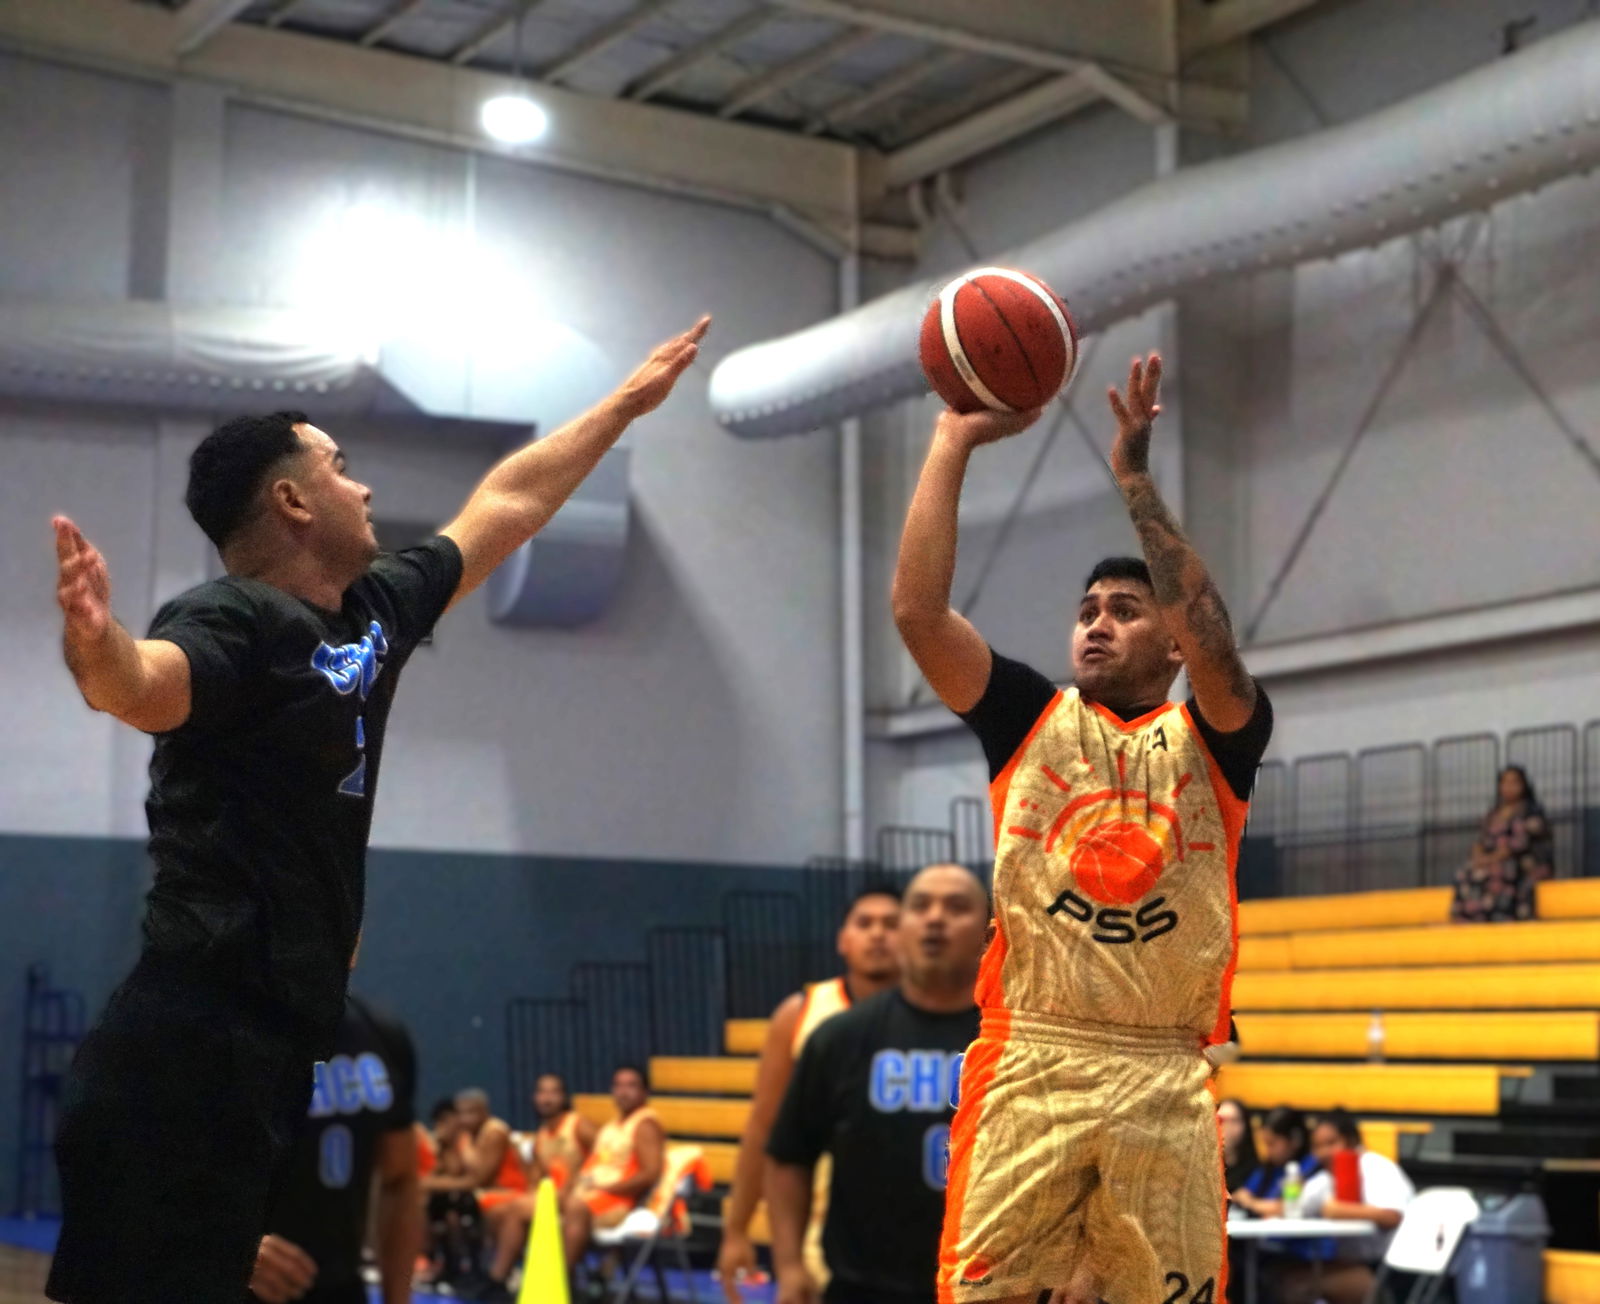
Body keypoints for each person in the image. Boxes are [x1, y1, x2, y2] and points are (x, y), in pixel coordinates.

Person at [45, 316, 709, 1304]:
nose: (361, 485)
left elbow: (510, 501)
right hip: (184, 1044)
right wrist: (97, 644)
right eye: (340, 465)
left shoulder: (375, 616)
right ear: (292, 499)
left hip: (268, 1045)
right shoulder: (234, 615)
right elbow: (144, 686)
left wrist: (620, 404)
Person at [893, 354, 1273, 1304]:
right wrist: (950, 443)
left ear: (1173, 639)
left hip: (1162, 1071)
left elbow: (1218, 643)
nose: (1096, 626)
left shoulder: (1217, 740)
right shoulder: (1030, 720)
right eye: (1086, 612)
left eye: (1126, 610)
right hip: (1033, 1056)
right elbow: (918, 611)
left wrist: (1137, 483)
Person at [766, 864, 987, 1304]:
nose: (935, 918)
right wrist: (789, 1264)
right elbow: (789, 1155)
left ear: (989, 932)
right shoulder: (840, 1037)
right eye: (920, 906)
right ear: (903, 928)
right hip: (862, 1287)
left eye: (957, 907)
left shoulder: (1020, 1043)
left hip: (987, 1289)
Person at [717, 884, 903, 1300]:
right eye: (865, 923)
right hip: (822, 1226)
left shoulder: (942, 1012)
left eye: (891, 924)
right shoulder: (800, 1013)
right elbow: (763, 1128)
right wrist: (736, 1231)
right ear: (843, 939)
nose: (878, 934)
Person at [249, 994, 420, 1304]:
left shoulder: (379, 1032)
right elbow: (142, 1181)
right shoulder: (197, 1030)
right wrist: (223, 1248)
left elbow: (400, 1180)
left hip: (341, 1288)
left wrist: (398, 1299)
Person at [1266, 1110, 1413, 1304]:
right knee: (1276, 1275)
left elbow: (1392, 1217)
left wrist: (1339, 1210)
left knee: (1297, 1284)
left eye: (1331, 1143)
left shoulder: (1377, 1167)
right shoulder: (1326, 1178)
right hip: (1351, 1265)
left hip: (1388, 1272)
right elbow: (1290, 1209)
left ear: (1351, 1141)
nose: (1324, 1152)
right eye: (1317, 1146)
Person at [479, 1072, 598, 1293]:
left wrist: (576, 1185)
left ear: (563, 1097)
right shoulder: (541, 1137)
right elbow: (536, 1179)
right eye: (542, 1092)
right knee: (497, 1211)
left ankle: (498, 1279)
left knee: (516, 1209)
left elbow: (602, 1159)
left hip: (579, 1196)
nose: (547, 1098)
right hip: (551, 1198)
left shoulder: (579, 1126)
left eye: (553, 1092)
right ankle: (517, 1271)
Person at [563, 1065, 666, 1272]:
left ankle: (559, 1281)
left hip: (619, 1202)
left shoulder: (646, 1125)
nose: (623, 1091)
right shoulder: (611, 1127)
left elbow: (649, 1175)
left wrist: (607, 1190)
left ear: (645, 1092)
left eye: (631, 1086)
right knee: (536, 1204)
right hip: (591, 1195)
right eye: (618, 1086)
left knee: (573, 1208)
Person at [1451, 764, 1555, 922]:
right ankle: (1468, 919)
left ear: (1523, 785)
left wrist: (1492, 858)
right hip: (1493, 860)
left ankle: (1501, 916)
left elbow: (1520, 844)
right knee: (1465, 873)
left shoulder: (1530, 811)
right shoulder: (1494, 813)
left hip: (1524, 861)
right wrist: (1478, 855)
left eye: (1514, 783)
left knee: (1501, 870)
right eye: (1505, 783)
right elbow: (1481, 840)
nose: (1509, 787)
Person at [1218, 1098, 1258, 1196]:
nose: (1227, 1127)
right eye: (1221, 1120)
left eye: (1234, 1120)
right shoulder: (1201, 1170)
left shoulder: (1258, 1171)